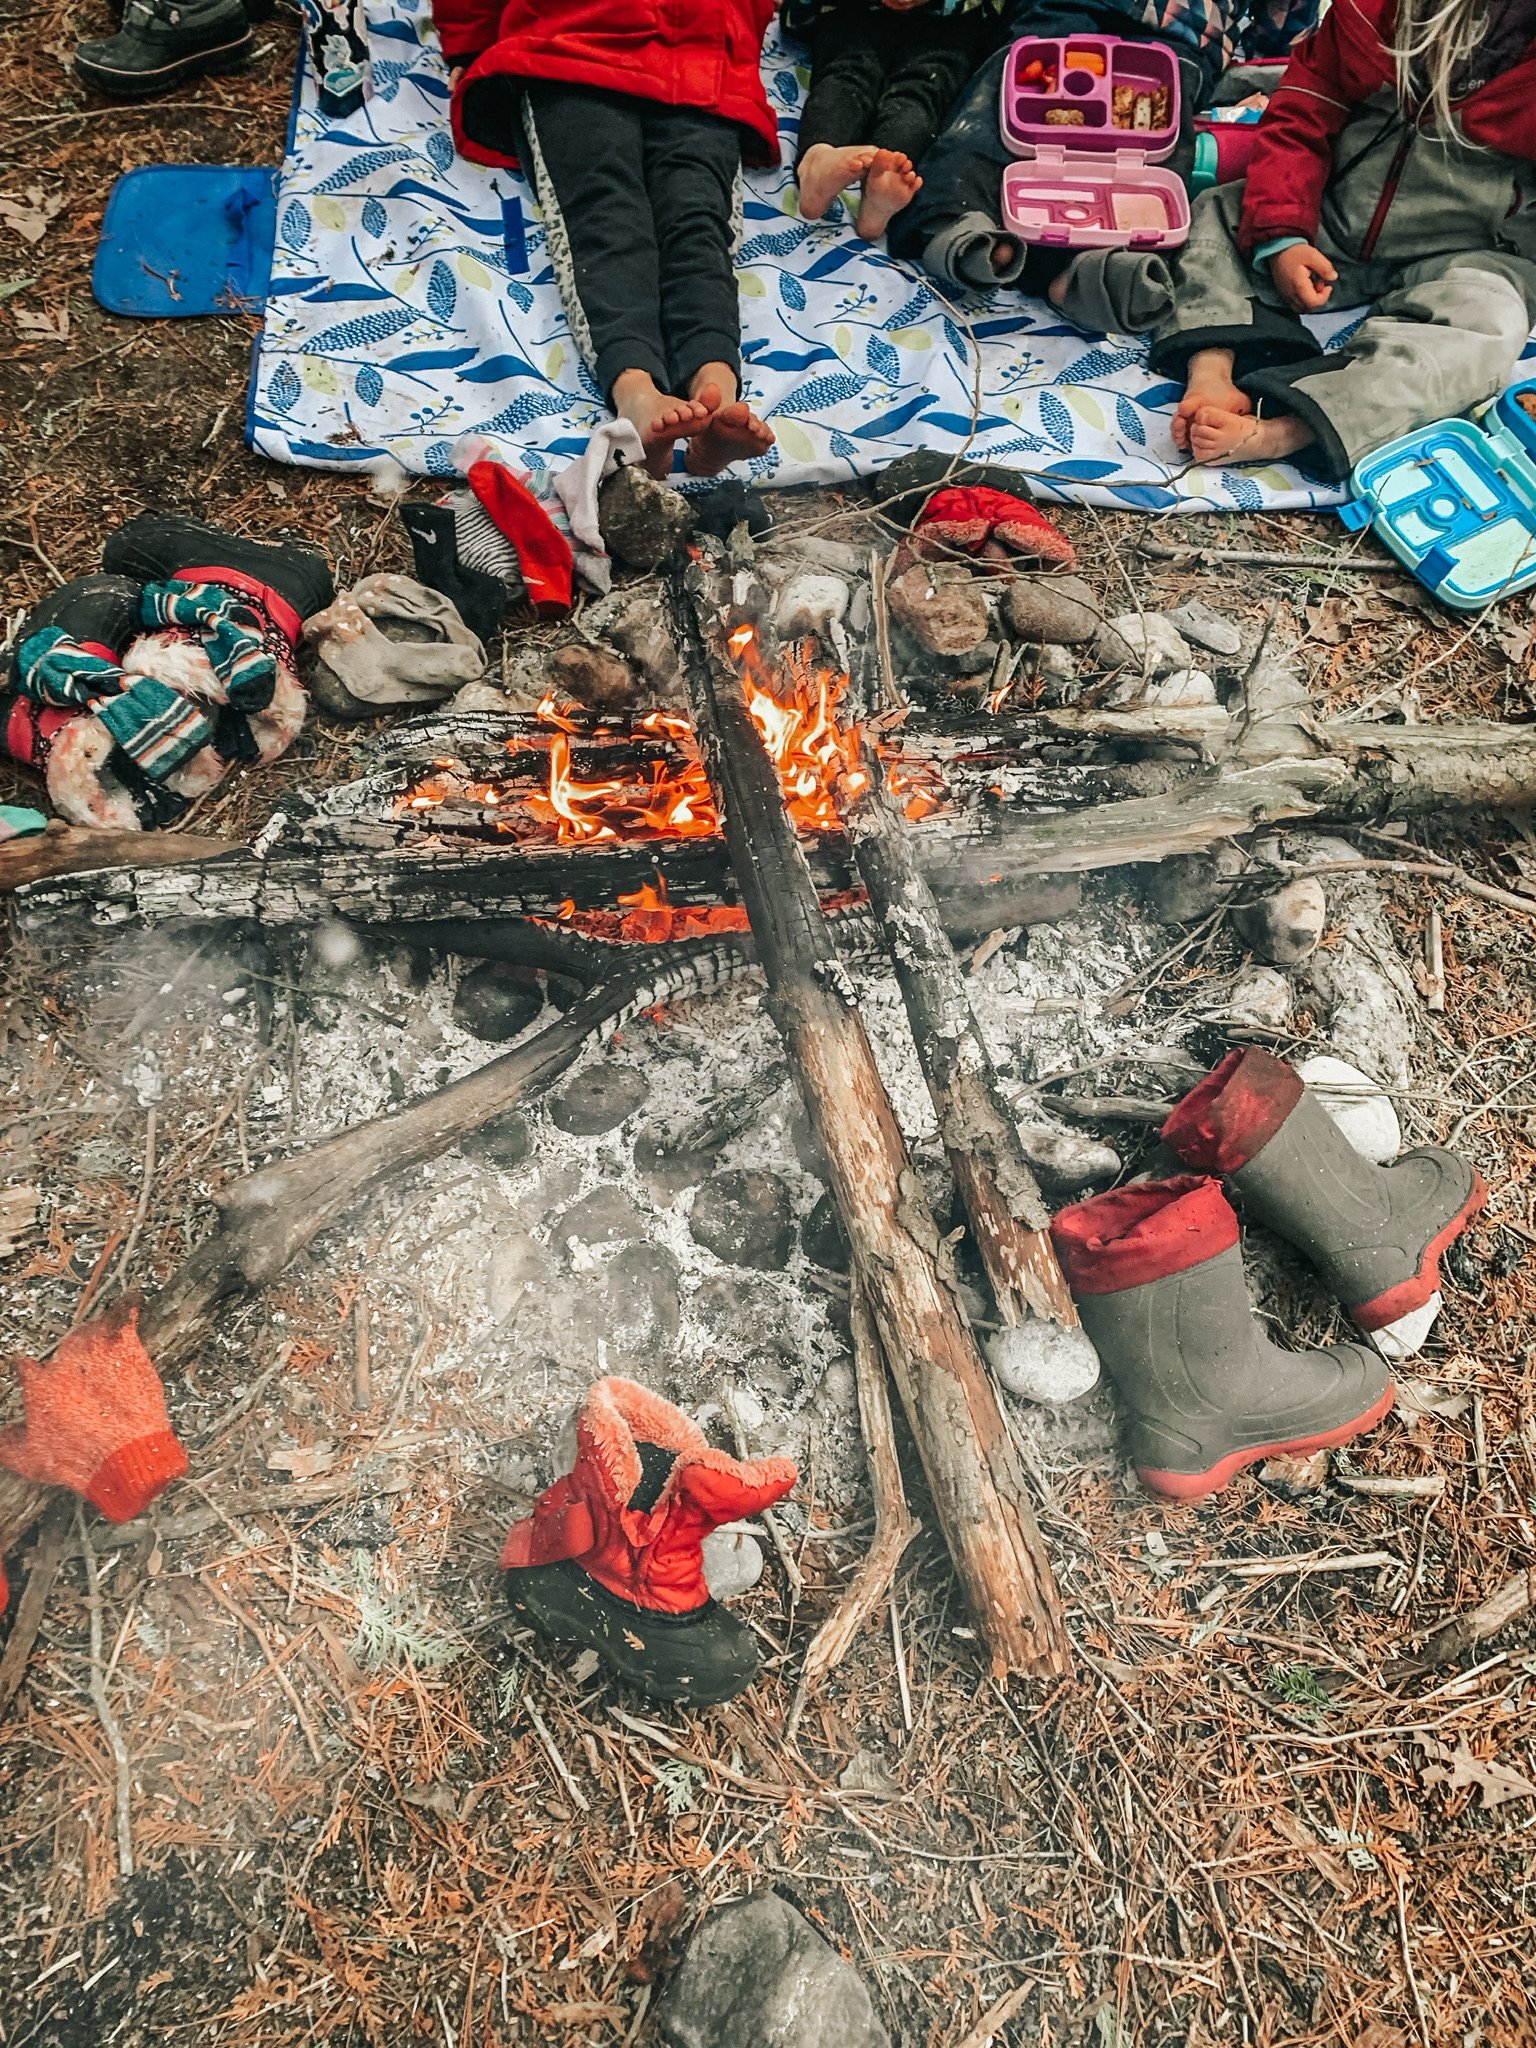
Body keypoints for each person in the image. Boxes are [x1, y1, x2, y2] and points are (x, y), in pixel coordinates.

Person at [1146, 0, 1536, 476]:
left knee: (1487, 331)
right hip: (1338, 215)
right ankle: (1211, 371)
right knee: (1219, 211)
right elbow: (1299, 114)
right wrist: (1283, 236)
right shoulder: (1365, 12)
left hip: (1468, 252)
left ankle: (1286, 431)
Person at [434, 0, 778, 478]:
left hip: (695, 64)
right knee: (621, 217)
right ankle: (639, 393)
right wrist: (469, 47)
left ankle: (715, 395)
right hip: (577, 52)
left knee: (691, 220)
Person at [887, 0, 1316, 324]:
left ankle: (1084, 272)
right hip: (1060, 12)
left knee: (1151, 157)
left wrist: (1266, 72)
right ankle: (955, 218)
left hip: (1179, 42)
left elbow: (1286, 27)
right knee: (998, 111)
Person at [784, 0, 1000, 240]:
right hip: (854, 11)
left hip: (950, 21)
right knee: (852, 75)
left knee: (920, 91)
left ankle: (883, 185)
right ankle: (818, 158)